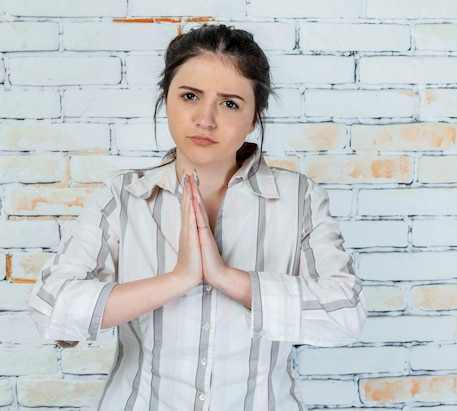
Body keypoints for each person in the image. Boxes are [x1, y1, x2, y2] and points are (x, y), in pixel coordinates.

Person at [29, 24, 367, 410]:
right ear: (167, 98)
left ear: (255, 116)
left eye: (229, 103)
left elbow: (346, 314)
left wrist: (225, 277)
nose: (205, 119)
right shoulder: (122, 197)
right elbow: (51, 308)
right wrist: (179, 279)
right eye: (190, 96)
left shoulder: (299, 198)